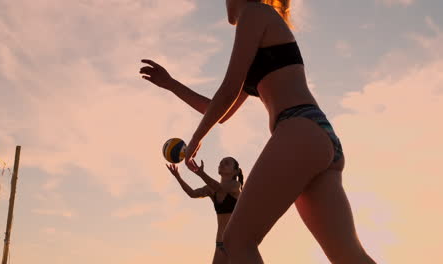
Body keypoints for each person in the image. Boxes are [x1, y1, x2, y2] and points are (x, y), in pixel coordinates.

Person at [140, 1, 376, 262]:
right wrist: (171, 84)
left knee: (236, 241)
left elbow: (229, 88)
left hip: (298, 128)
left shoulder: (254, 13)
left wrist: (196, 138)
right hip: (317, 136)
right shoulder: (260, 22)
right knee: (348, 256)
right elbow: (220, 109)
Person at [166, 157, 244, 264]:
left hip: (237, 240)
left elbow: (220, 188)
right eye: (221, 162)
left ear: (235, 171)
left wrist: (201, 174)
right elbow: (192, 193)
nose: (222, 164)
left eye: (226, 163)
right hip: (221, 243)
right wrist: (178, 177)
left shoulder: (235, 186)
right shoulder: (210, 189)